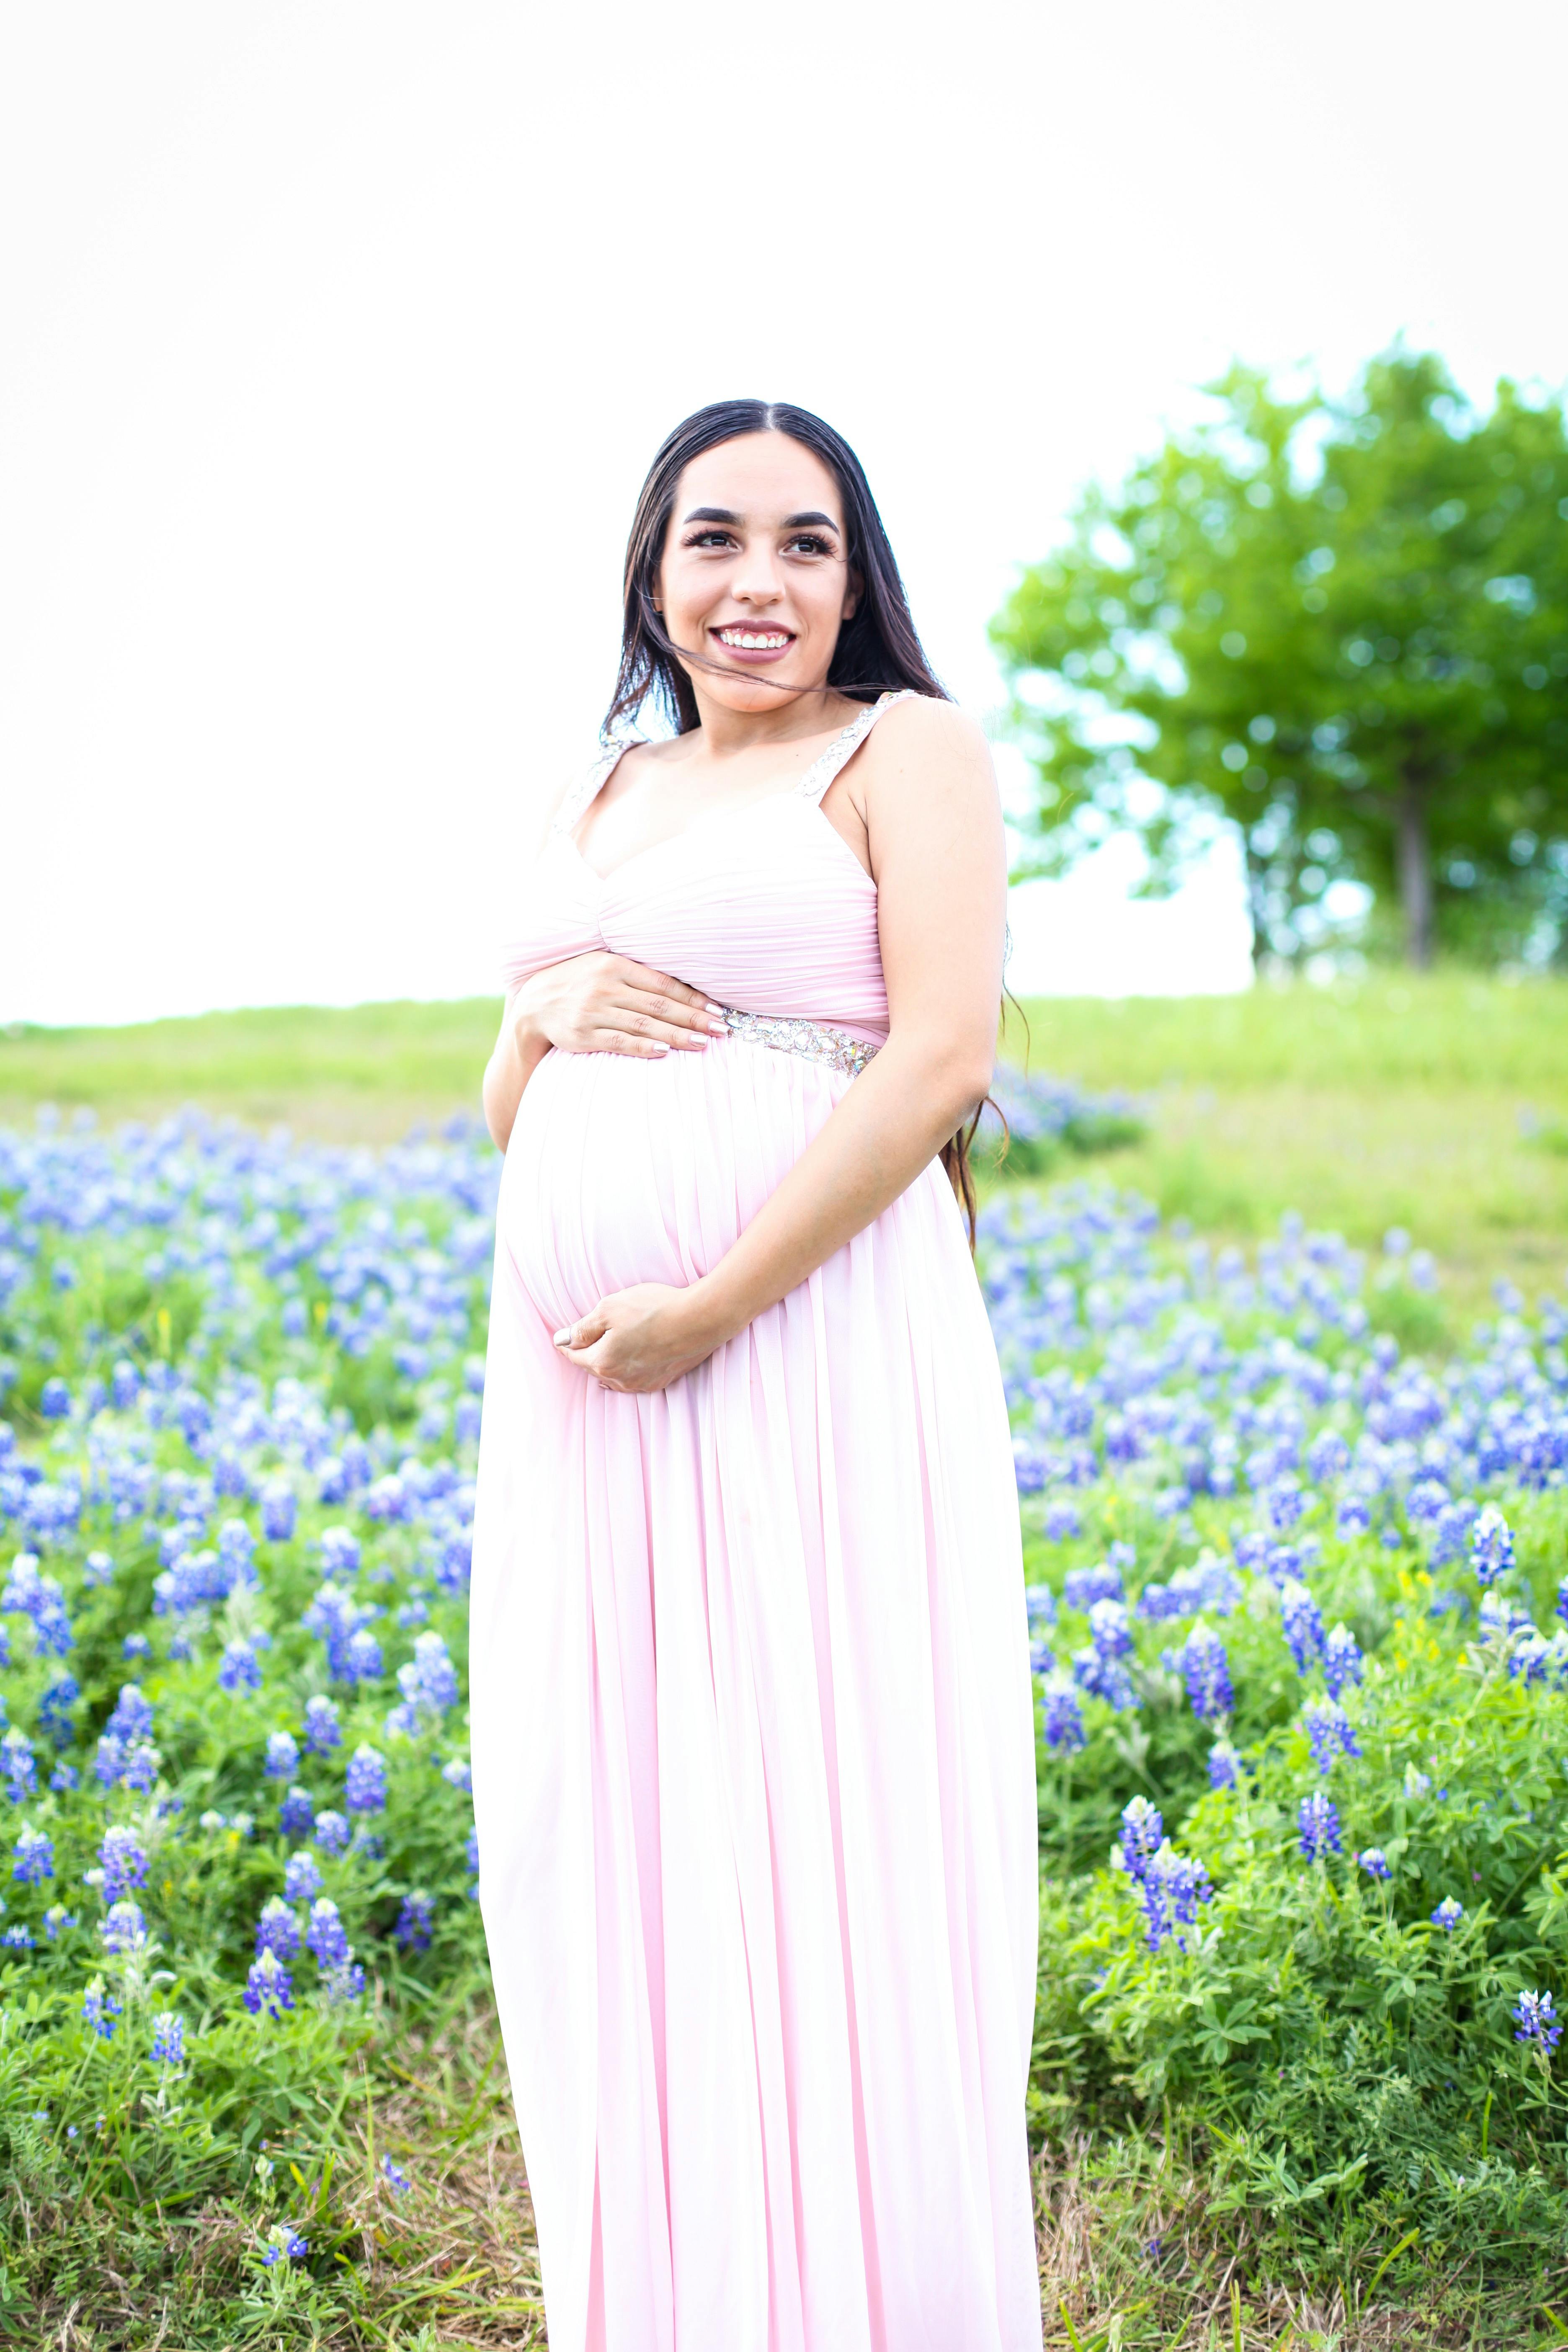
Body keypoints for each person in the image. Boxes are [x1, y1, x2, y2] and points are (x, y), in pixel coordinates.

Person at [469, 399, 1042, 2352]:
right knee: (618, 1814)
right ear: (653, 571)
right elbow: (508, 1103)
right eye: (715, 541)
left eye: (809, 545)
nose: (758, 584)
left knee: (826, 1802)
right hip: (582, 1395)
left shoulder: (911, 752)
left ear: (858, 579)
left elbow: (943, 1060)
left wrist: (715, 1299)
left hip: (808, 1351)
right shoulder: (604, 788)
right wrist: (538, 1007)